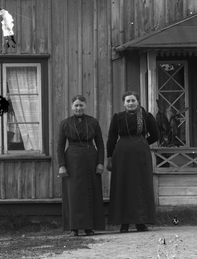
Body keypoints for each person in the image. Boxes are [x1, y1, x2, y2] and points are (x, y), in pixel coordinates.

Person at [106, 90, 159, 232]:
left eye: (133, 100)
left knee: (140, 186)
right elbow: (111, 138)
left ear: (138, 101)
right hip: (122, 155)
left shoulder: (147, 117)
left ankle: (140, 222)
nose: (130, 103)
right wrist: (109, 157)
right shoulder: (117, 118)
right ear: (123, 103)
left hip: (141, 155)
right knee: (123, 186)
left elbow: (155, 135)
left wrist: (142, 143)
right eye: (128, 101)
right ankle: (124, 222)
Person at [57, 95, 105, 236]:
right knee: (74, 193)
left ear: (85, 106)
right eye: (76, 105)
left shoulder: (93, 122)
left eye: (81, 105)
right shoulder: (65, 123)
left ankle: (89, 227)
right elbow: (60, 146)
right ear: (72, 107)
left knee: (92, 191)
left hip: (91, 159)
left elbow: (100, 144)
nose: (78, 108)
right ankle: (74, 228)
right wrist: (62, 165)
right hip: (72, 161)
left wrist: (100, 163)